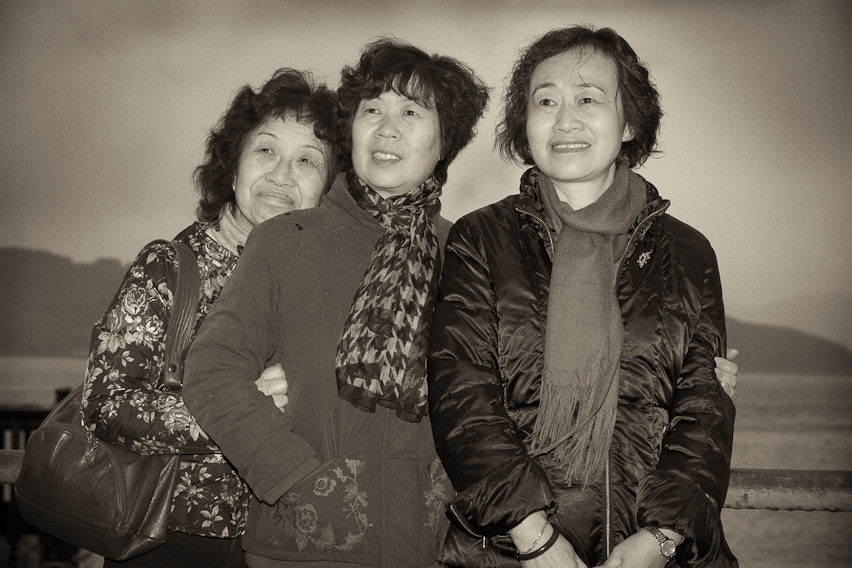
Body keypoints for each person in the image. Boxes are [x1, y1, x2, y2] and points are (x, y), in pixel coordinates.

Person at [427, 25, 737, 568]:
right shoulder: (482, 239)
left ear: (630, 121)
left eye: (588, 99)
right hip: (509, 551)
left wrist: (662, 538)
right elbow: (462, 395)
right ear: (524, 123)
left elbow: (703, 410)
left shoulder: (687, 253)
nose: (565, 120)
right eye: (545, 101)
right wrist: (534, 539)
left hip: (647, 548)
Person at [181, 38, 490, 568]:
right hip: (303, 544)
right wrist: (294, 478)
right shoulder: (286, 239)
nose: (386, 128)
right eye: (372, 110)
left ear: (445, 142)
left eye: (411, 112)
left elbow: (488, 402)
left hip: (433, 548)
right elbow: (213, 371)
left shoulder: (467, 251)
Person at [82, 68, 338, 568]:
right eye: (265, 151)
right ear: (233, 168)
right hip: (166, 535)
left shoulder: (326, 288)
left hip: (285, 543)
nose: (282, 175)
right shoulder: (170, 268)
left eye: (308, 160)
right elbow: (107, 404)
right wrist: (237, 409)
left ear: (328, 190)